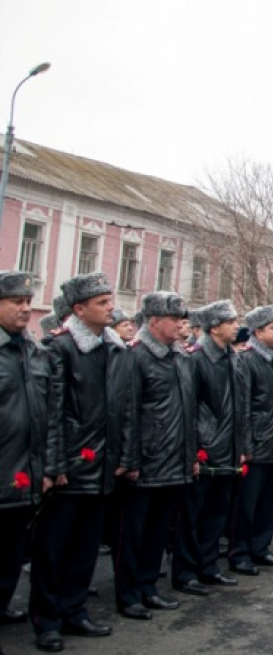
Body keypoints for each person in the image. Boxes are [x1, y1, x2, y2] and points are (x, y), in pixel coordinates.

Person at [32, 273, 127, 648]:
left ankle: (74, 611)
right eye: (102, 303)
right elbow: (51, 414)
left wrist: (120, 455)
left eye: (110, 300)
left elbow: (122, 410)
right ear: (79, 309)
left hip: (102, 466)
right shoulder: (58, 349)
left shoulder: (112, 347)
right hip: (70, 468)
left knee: (85, 548)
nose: (111, 308)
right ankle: (48, 620)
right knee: (54, 549)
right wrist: (55, 466)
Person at [116, 292, 198, 620]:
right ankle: (128, 594)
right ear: (153, 322)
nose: (181, 326)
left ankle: (148, 587)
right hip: (146, 462)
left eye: (182, 320)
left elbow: (188, 413)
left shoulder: (180, 356)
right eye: (174, 320)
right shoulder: (134, 356)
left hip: (174, 461)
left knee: (156, 531)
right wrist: (131, 460)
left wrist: (190, 455)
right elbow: (126, 413)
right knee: (132, 534)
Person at [171, 301, 242, 596]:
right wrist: (196, 450)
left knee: (216, 513)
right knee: (192, 516)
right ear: (215, 327)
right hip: (204, 450)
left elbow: (238, 406)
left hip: (226, 448)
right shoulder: (196, 358)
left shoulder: (231, 357)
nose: (237, 326)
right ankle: (186, 572)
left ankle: (209, 566)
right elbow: (187, 409)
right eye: (231, 322)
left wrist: (239, 445)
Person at [0, 272, 50, 652]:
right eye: (16, 301)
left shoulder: (33, 351)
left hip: (24, 476)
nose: (25, 307)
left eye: (27, 300)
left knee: (9, 564)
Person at [229, 306, 273, 575]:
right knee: (247, 504)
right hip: (257, 444)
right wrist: (245, 446)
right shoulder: (246, 360)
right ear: (257, 332)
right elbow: (243, 407)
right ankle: (241, 553)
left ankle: (261, 548)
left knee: (269, 502)